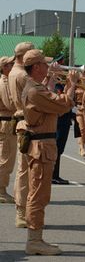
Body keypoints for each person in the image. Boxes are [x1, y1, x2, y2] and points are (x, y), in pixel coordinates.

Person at [21, 49, 77, 255]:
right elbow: (62, 105)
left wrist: (51, 77)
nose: (48, 66)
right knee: (39, 195)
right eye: (44, 65)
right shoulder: (35, 91)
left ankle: (35, 239)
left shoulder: (36, 87)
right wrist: (71, 85)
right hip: (42, 147)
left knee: (38, 193)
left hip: (42, 145)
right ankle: (34, 240)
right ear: (36, 67)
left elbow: (48, 95)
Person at [9, 41, 35, 228]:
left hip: (22, 121)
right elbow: (38, 98)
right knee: (26, 172)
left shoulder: (14, 72)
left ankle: (22, 210)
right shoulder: (22, 75)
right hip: (29, 122)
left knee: (23, 170)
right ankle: (22, 211)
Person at [0, 56, 17, 203]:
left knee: (6, 157)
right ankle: (1, 190)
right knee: (6, 158)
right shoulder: (4, 82)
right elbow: (10, 104)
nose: (13, 66)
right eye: (11, 64)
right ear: (4, 67)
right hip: (6, 123)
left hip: (7, 122)